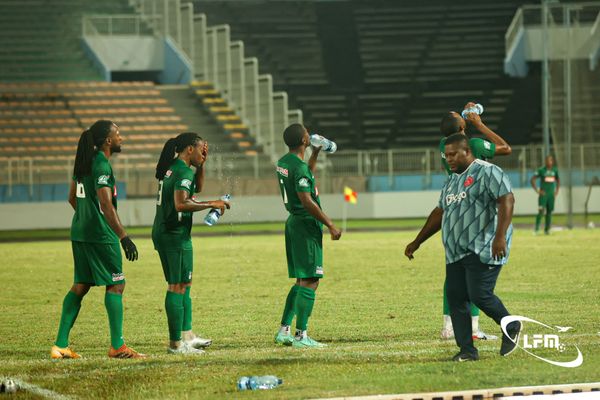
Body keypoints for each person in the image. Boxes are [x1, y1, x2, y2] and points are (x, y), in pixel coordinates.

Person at [405, 133, 521, 361]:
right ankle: (467, 350)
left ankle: (512, 325)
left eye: (452, 154)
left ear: (467, 152)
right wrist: (417, 241)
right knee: (456, 298)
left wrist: (499, 237)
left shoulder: (487, 171)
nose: (448, 159)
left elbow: (506, 199)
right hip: (456, 252)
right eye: (446, 155)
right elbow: (440, 212)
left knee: (480, 294)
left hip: (484, 246)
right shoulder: (451, 181)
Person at [51, 120, 145, 359]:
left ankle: (60, 345)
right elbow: (105, 204)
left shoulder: (83, 161)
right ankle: (117, 346)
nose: (121, 138)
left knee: (81, 285)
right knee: (117, 283)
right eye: (118, 134)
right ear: (108, 141)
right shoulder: (102, 165)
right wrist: (123, 236)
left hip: (80, 232)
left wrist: (85, 216)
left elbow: (72, 198)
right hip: (101, 235)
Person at [437, 103, 512, 341]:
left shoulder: (444, 146)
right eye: (461, 117)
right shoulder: (475, 145)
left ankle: (449, 326)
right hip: (476, 209)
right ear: (461, 125)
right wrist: (479, 124)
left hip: (454, 207)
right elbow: (506, 148)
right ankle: (473, 327)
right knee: (474, 271)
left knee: (455, 273)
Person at [152, 132, 230, 355]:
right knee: (176, 286)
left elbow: (195, 189)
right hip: (173, 234)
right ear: (189, 150)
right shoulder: (182, 171)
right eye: (200, 150)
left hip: (170, 232)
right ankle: (176, 344)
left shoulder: (175, 167)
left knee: (184, 284)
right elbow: (181, 204)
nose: (203, 153)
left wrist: (202, 166)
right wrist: (211, 204)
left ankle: (187, 336)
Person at [274, 123, 342, 348]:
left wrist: (315, 153)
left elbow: (305, 175)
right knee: (311, 280)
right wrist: (330, 224)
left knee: (301, 280)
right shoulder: (299, 168)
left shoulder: (285, 162)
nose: (309, 134)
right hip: (305, 224)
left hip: (293, 223)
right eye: (306, 133)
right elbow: (306, 198)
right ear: (303, 140)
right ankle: (301, 335)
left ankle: (284, 330)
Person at [531, 155, 560, 235]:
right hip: (543, 194)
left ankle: (547, 230)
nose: (549, 162)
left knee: (549, 212)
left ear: (552, 161)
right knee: (541, 210)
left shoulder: (555, 170)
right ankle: (536, 229)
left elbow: (558, 180)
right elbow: (532, 179)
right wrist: (537, 190)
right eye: (547, 160)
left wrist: (556, 191)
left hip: (551, 195)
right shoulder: (541, 170)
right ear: (545, 161)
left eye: (550, 160)